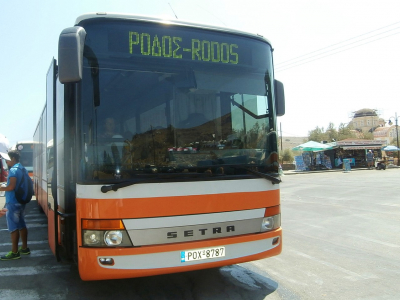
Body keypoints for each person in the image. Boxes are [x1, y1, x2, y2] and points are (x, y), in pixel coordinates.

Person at [0, 150, 30, 260]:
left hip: (13, 202)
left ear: (12, 159)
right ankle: (25, 248)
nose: (6, 162)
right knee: (22, 225)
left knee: (13, 227)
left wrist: (1, 188)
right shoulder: (22, 168)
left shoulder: (13, 170)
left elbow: (11, 187)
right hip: (21, 201)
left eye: (7, 159)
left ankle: (14, 252)